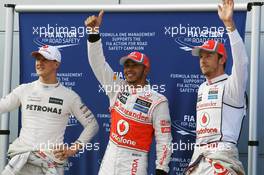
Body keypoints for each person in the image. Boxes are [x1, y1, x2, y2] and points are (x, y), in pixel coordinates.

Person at [85, 11, 172, 175]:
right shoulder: (117, 88)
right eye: (126, 66)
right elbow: (98, 63)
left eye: (134, 66)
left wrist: (162, 169)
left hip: (134, 161)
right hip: (110, 157)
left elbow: (164, 139)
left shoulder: (158, 101)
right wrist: (93, 32)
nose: (129, 70)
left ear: (145, 70)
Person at [0, 45, 99, 175]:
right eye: (37, 59)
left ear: (56, 64)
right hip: (21, 161)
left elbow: (92, 125)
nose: (39, 63)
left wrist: (73, 149)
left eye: (44, 59)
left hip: (50, 163)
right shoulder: (24, 90)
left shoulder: (69, 96)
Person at [185, 0, 248, 174]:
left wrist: (230, 25)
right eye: (201, 56)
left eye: (208, 56)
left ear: (222, 59)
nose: (203, 60)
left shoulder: (232, 86)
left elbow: (241, 62)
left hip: (222, 157)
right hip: (199, 158)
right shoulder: (202, 88)